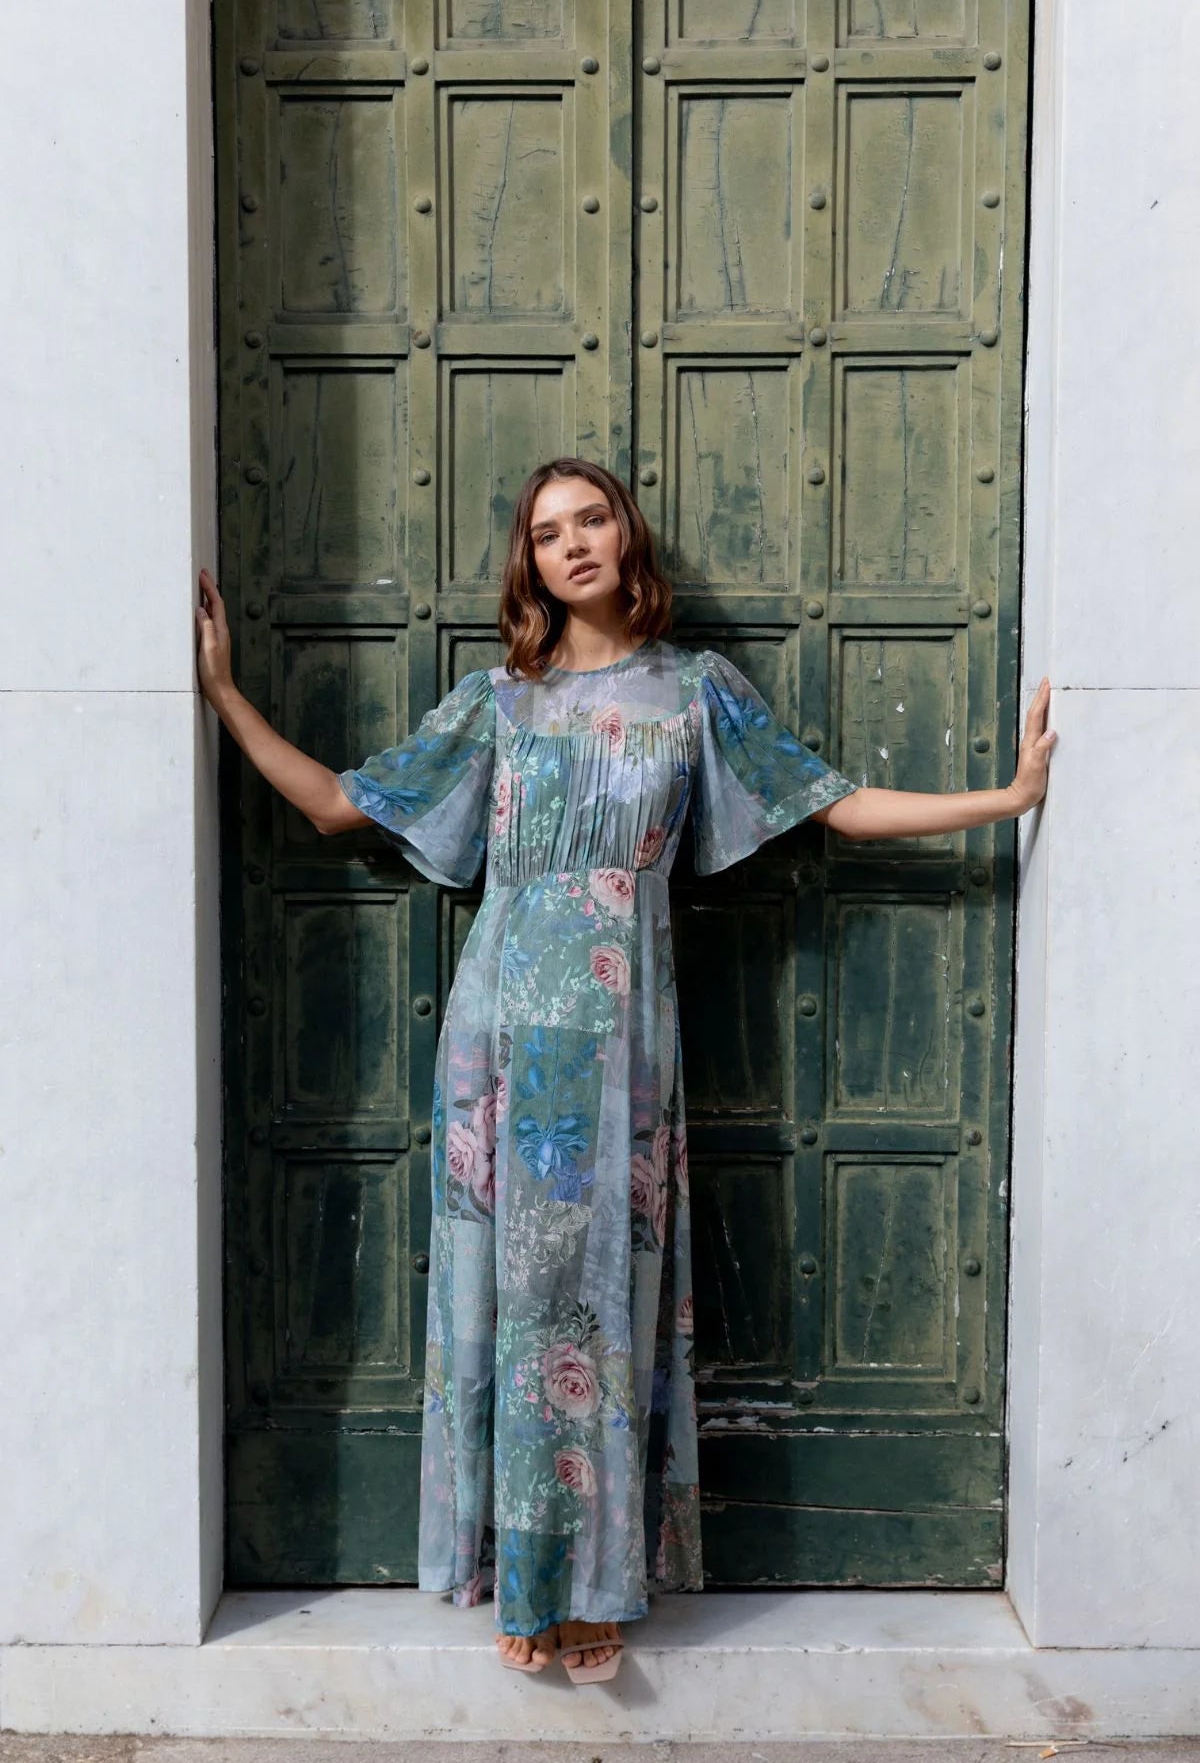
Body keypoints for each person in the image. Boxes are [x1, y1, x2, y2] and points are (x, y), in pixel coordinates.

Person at [196, 456, 1055, 1683]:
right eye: (549, 533)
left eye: (591, 518)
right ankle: (522, 1575)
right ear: (532, 565)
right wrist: (225, 693)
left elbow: (832, 803)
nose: (574, 544)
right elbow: (340, 806)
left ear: (625, 533)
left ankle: (589, 1581)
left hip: (623, 1043)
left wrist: (1007, 798)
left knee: (601, 1306)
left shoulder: (696, 693)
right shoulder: (497, 703)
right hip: (502, 1036)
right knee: (513, 1300)